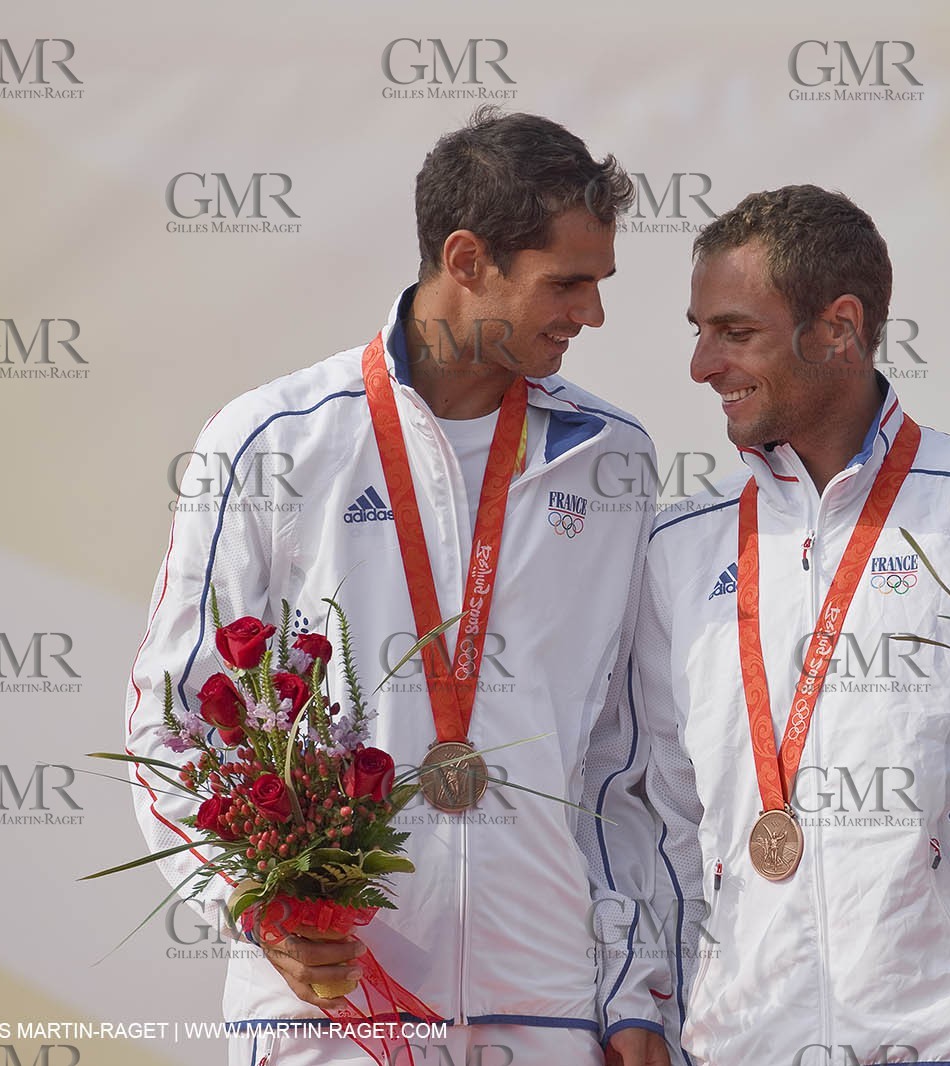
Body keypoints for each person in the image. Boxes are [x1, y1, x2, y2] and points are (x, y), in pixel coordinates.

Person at [126, 108, 672, 1066]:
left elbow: (620, 766)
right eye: (567, 282)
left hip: (542, 1008)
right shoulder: (275, 442)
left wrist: (634, 992)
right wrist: (264, 908)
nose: (592, 314)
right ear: (467, 259)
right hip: (333, 1008)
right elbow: (173, 721)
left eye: (599, 282)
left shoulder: (611, 458)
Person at [631, 185, 950, 1065]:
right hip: (742, 1044)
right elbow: (661, 818)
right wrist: (642, 1003)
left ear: (839, 327)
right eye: (698, 330)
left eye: (734, 331)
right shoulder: (679, 545)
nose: (702, 365)